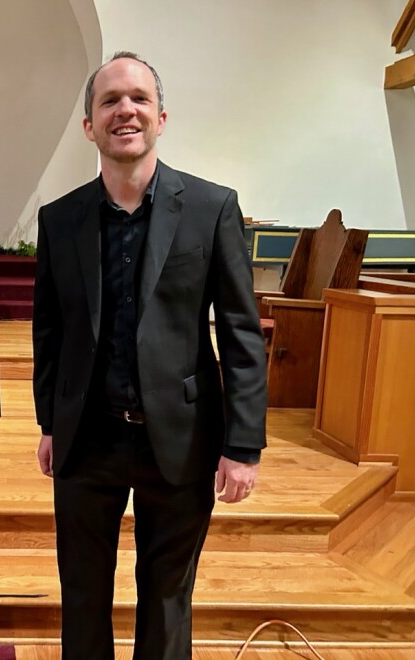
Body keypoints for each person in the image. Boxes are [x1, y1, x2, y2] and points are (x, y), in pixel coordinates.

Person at [32, 51, 267, 659]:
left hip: (182, 437)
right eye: (109, 101)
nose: (124, 110)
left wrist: (242, 445)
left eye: (137, 98)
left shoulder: (213, 209)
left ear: (161, 116)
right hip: (88, 437)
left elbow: (241, 333)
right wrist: (48, 423)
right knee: (83, 594)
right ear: (89, 125)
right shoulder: (60, 221)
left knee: (167, 599)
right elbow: (49, 332)